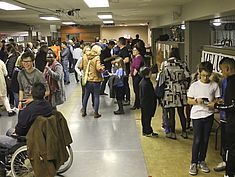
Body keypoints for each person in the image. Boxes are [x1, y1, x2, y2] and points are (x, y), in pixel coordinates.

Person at [188, 61, 220, 176]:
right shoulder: (194, 86)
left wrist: (214, 103)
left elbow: (218, 99)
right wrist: (197, 100)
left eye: (208, 75)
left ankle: (202, 161)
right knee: (197, 140)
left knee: (205, 140)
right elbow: (189, 101)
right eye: (203, 75)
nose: (205, 77)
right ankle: (193, 162)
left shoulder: (214, 85)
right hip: (197, 115)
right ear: (199, 73)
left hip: (208, 115)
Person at [211, 57, 235, 177]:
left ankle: (229, 173)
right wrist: (223, 102)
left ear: (227, 68)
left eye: (222, 70)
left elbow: (232, 106)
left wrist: (216, 106)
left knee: (230, 149)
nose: (221, 73)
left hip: (232, 123)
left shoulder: (231, 82)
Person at [162, 47, 190, 139]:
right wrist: (184, 86)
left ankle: (172, 133)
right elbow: (188, 77)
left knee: (171, 113)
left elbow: (160, 78)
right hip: (180, 90)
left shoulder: (165, 64)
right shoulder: (183, 64)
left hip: (169, 90)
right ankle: (184, 131)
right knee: (181, 112)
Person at [80, 45, 105, 118]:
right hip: (95, 80)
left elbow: (81, 66)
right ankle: (96, 113)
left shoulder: (85, 56)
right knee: (96, 96)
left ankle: (84, 111)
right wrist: (102, 68)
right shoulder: (97, 57)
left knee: (86, 96)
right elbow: (98, 68)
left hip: (87, 79)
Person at [139, 67, 158, 137]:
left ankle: (146, 130)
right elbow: (150, 94)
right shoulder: (146, 84)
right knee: (147, 118)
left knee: (145, 117)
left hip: (144, 103)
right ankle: (147, 131)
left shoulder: (143, 82)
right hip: (147, 103)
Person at [117, 37, 130, 105]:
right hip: (121, 70)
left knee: (125, 84)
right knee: (122, 84)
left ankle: (127, 99)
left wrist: (119, 62)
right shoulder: (121, 50)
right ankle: (121, 98)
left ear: (120, 42)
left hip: (124, 70)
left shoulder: (125, 50)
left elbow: (127, 59)